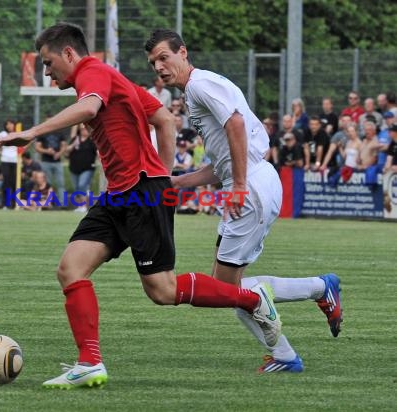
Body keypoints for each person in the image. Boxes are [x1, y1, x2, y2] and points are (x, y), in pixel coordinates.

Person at [0, 22, 282, 388]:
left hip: (141, 193)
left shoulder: (93, 73)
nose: (47, 72)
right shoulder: (114, 78)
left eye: (48, 63)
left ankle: (252, 300)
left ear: (69, 54)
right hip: (120, 194)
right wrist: (163, 171)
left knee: (162, 290)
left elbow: (90, 107)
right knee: (70, 269)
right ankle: (90, 363)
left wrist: (32, 133)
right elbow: (163, 118)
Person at [145, 29, 342, 373]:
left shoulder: (198, 85)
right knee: (227, 289)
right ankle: (318, 290)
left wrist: (237, 186)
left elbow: (235, 124)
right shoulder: (199, 91)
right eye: (153, 62)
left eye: (164, 57)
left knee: (226, 291)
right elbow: (221, 162)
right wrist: (179, 182)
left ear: (183, 52)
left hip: (249, 186)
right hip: (253, 180)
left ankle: (288, 353)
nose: (159, 67)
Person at [34, 115, 67, 204]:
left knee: (61, 183)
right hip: (45, 162)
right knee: (46, 184)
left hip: (58, 162)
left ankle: (62, 203)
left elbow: (64, 146)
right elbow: (37, 148)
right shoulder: (42, 133)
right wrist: (47, 151)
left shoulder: (60, 132)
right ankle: (47, 203)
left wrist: (59, 153)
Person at [66, 123, 97, 212]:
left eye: (85, 129)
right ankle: (80, 206)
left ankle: (83, 206)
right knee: (77, 188)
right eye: (82, 129)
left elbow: (98, 152)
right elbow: (66, 152)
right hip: (74, 168)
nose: (84, 131)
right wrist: (72, 145)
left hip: (88, 168)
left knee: (82, 185)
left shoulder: (92, 140)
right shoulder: (75, 139)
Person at [0, 120, 18, 209]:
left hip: (15, 161)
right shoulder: (3, 134)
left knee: (14, 182)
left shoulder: (18, 133)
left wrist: (22, 150)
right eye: (7, 124)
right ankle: (5, 203)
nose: (9, 126)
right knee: (6, 182)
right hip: (5, 160)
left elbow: (28, 141)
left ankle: (14, 203)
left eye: (11, 124)